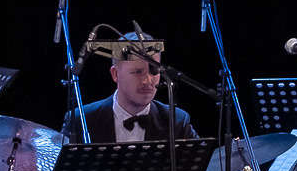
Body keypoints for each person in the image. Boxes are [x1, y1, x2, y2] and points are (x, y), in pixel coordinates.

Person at [71, 33, 202, 146]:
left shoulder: (177, 121)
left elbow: (202, 168)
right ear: (115, 74)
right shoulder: (81, 120)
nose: (148, 81)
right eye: (138, 72)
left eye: (154, 71)